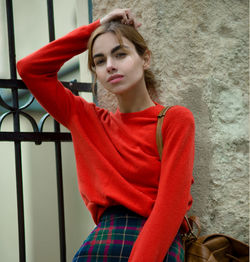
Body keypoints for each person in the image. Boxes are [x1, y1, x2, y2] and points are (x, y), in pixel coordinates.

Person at [17, 8, 195, 262]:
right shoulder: (85, 119)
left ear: (145, 59)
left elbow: (172, 205)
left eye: (120, 54)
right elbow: (30, 68)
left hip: (156, 245)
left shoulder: (175, 119)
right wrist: (96, 28)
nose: (110, 66)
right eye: (100, 61)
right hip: (104, 243)